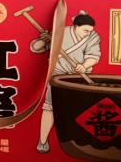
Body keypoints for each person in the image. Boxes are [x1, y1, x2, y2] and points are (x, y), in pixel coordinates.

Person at [32, 11, 102, 154]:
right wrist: (45, 40)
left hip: (79, 78)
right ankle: (43, 141)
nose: (88, 33)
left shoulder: (93, 36)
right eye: (85, 30)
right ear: (75, 26)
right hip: (58, 76)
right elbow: (36, 48)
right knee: (50, 107)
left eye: (90, 31)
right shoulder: (60, 32)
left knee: (82, 109)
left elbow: (94, 56)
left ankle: (81, 142)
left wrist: (84, 65)